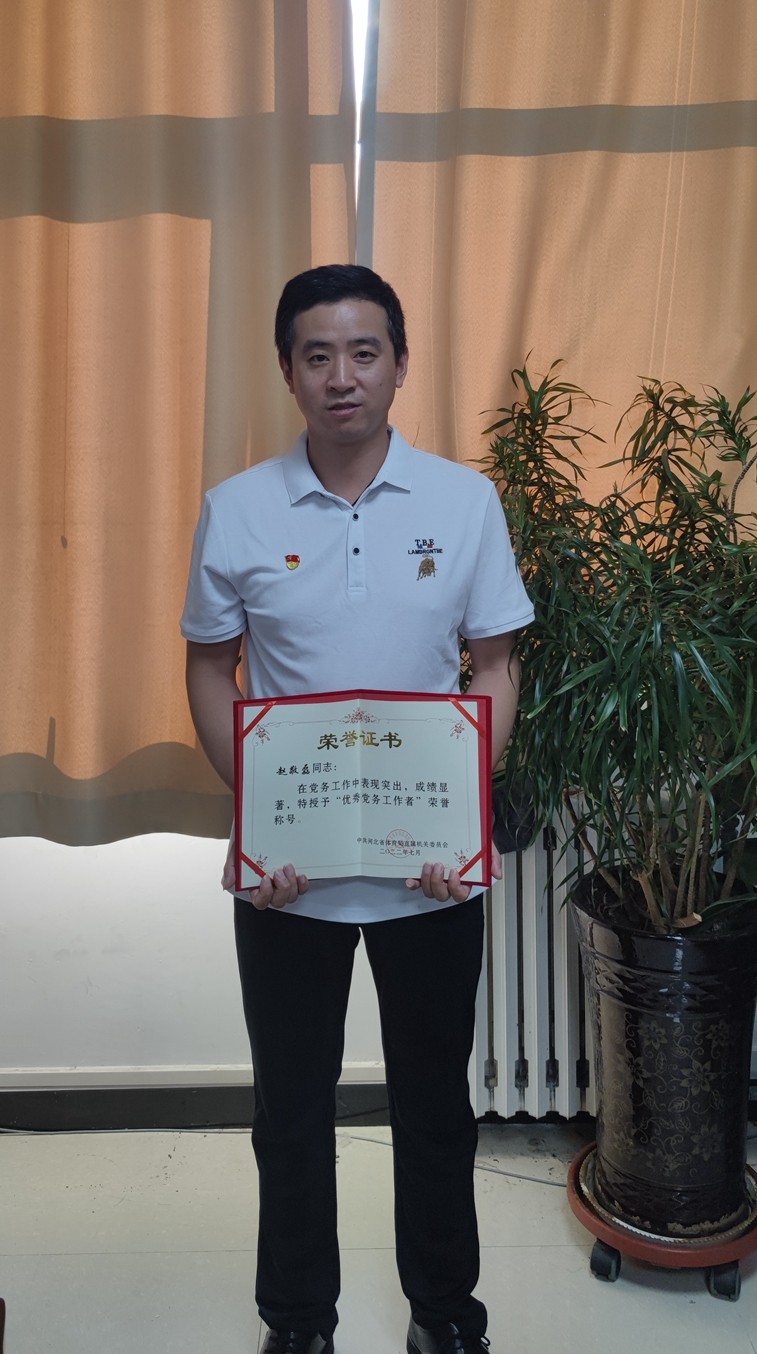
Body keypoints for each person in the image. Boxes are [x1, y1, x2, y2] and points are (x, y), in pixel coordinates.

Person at [181, 265, 534, 1354]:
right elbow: (209, 667)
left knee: (435, 1106)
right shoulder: (236, 509)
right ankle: (297, 1324)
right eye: (318, 355)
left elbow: (494, 664)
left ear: (399, 364)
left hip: (430, 867)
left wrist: (460, 818)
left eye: (364, 352)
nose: (343, 376)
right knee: (290, 1114)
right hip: (291, 874)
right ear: (288, 371)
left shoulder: (463, 503)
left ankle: (446, 1316)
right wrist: (258, 819)